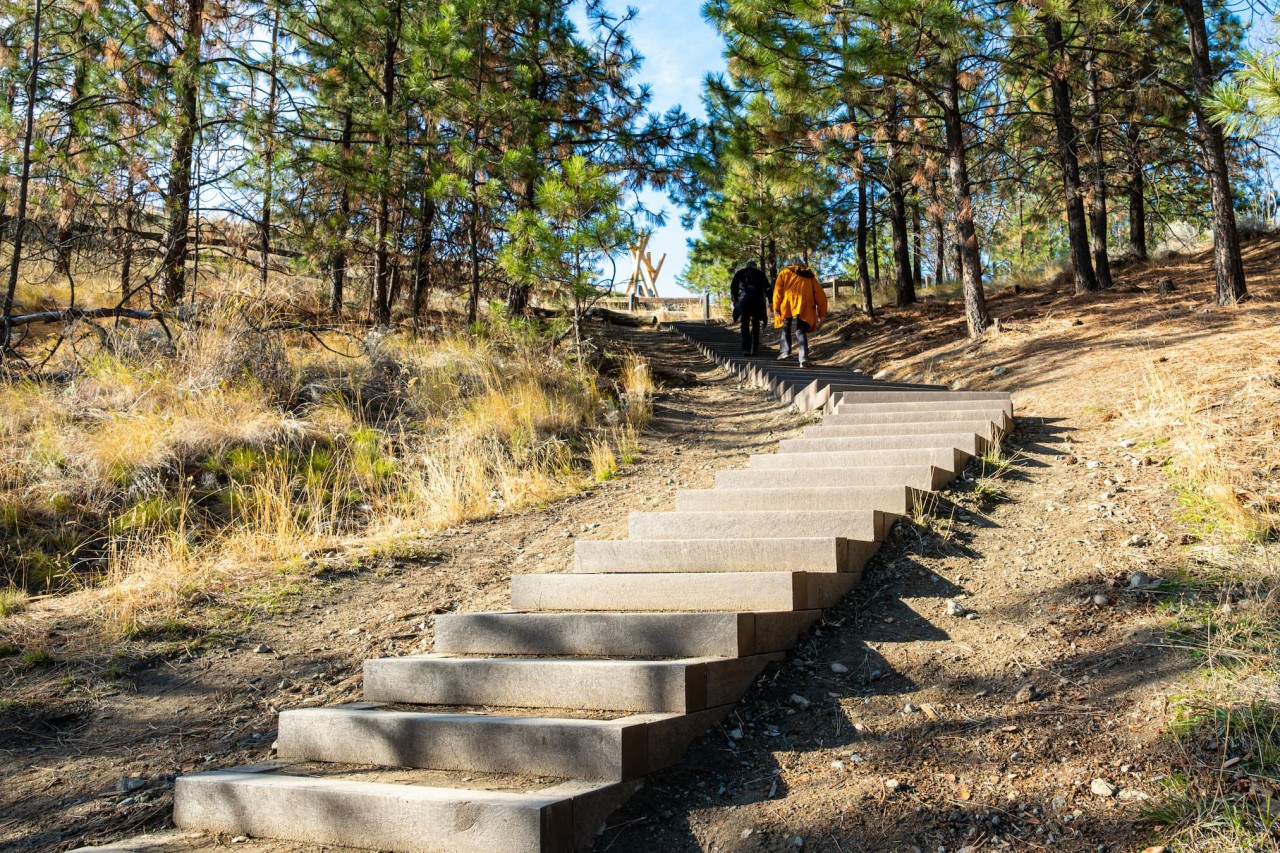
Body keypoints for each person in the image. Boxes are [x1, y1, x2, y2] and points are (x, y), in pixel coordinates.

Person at [772, 258, 828, 367]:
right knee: (800, 331)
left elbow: (777, 292)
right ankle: (803, 358)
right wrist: (822, 313)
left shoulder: (784, 273)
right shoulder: (809, 275)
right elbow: (820, 294)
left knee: (786, 325)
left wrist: (776, 307)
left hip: (788, 303)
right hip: (805, 303)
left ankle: (785, 352)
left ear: (789, 264)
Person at [730, 260, 770, 355]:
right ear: (755, 266)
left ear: (746, 266)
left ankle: (746, 349)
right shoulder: (759, 273)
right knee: (755, 323)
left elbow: (733, 288)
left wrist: (736, 302)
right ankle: (754, 347)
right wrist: (771, 301)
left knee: (745, 324)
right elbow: (767, 287)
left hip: (744, 301)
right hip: (757, 302)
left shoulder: (740, 273)